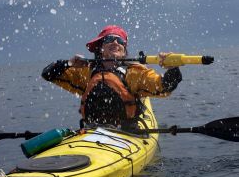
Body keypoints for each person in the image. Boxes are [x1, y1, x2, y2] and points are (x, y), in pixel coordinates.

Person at [42, 25, 182, 130]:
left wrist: (172, 69)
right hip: (92, 131)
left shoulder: (134, 73)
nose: (116, 43)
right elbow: (48, 74)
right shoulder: (86, 72)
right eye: (109, 39)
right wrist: (68, 63)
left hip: (127, 133)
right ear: (100, 48)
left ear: (124, 51)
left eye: (120, 41)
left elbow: (164, 86)